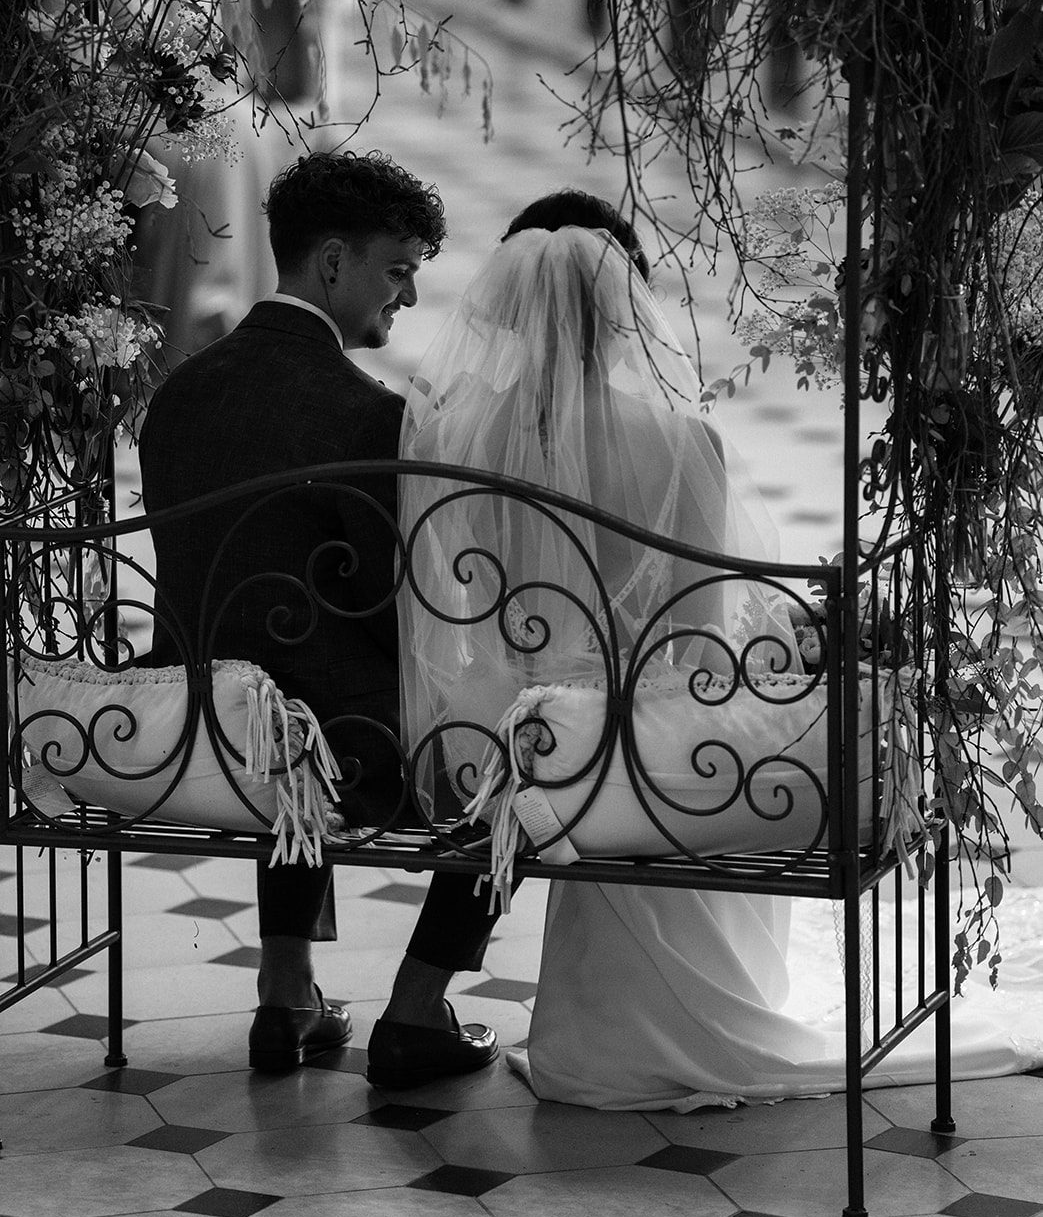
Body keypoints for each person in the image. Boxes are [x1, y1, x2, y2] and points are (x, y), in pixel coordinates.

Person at [398, 191, 1043, 1112]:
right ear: (626, 306)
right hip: (638, 744)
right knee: (733, 733)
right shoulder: (678, 439)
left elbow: (458, 602)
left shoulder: (459, 435)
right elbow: (704, 622)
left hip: (502, 735)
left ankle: (598, 1026)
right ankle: (700, 1009)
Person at [138, 149, 500, 1087]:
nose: (409, 298)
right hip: (324, 748)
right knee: (514, 764)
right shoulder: (360, 413)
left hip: (183, 727)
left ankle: (286, 993)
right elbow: (393, 615)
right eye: (398, 270)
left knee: (288, 705)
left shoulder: (179, 391)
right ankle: (418, 1011)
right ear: (332, 263)